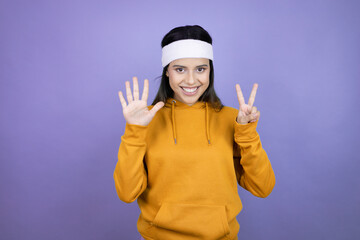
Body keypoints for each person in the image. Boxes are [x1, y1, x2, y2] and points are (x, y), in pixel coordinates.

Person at [114, 25, 275, 240]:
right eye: (180, 69)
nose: (191, 80)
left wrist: (247, 133)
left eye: (200, 69)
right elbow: (126, 193)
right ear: (167, 71)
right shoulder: (146, 120)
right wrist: (135, 131)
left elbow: (262, 187)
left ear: (210, 70)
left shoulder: (232, 119)